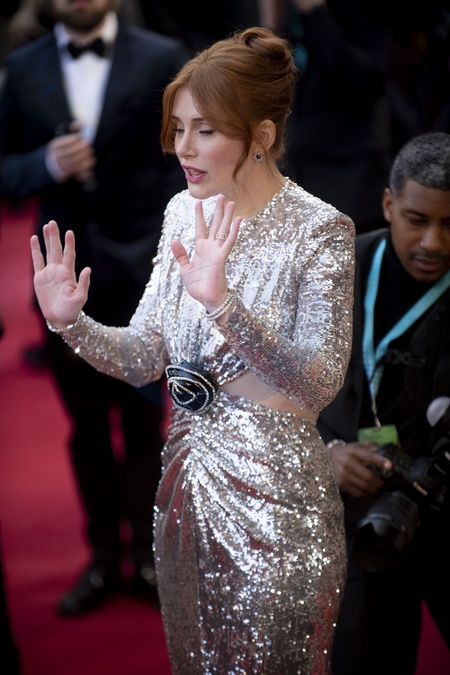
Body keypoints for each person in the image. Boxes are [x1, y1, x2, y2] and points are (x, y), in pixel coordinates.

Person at [30, 26, 355, 673]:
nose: (182, 147)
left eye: (205, 131)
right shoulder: (184, 210)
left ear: (261, 135)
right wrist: (72, 324)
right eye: (178, 128)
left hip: (279, 509)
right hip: (186, 500)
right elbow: (145, 356)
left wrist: (225, 306)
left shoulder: (322, 231)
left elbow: (319, 383)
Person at [0, 0, 187, 616]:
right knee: (85, 428)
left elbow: (182, 165)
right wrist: (43, 165)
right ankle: (103, 557)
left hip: (144, 278)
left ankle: (150, 557)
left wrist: (170, 257)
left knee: (144, 422)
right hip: (60, 280)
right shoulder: (22, 66)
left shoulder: (160, 57)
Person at [317, 131, 450, 674]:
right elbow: (266, 389)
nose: (434, 243)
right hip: (365, 517)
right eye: (417, 220)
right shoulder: (332, 269)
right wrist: (322, 455)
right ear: (389, 204)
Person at [278, 0, 393, 234]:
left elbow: (364, 80)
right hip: (289, 161)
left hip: (348, 168)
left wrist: (315, 12)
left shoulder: (368, 10)